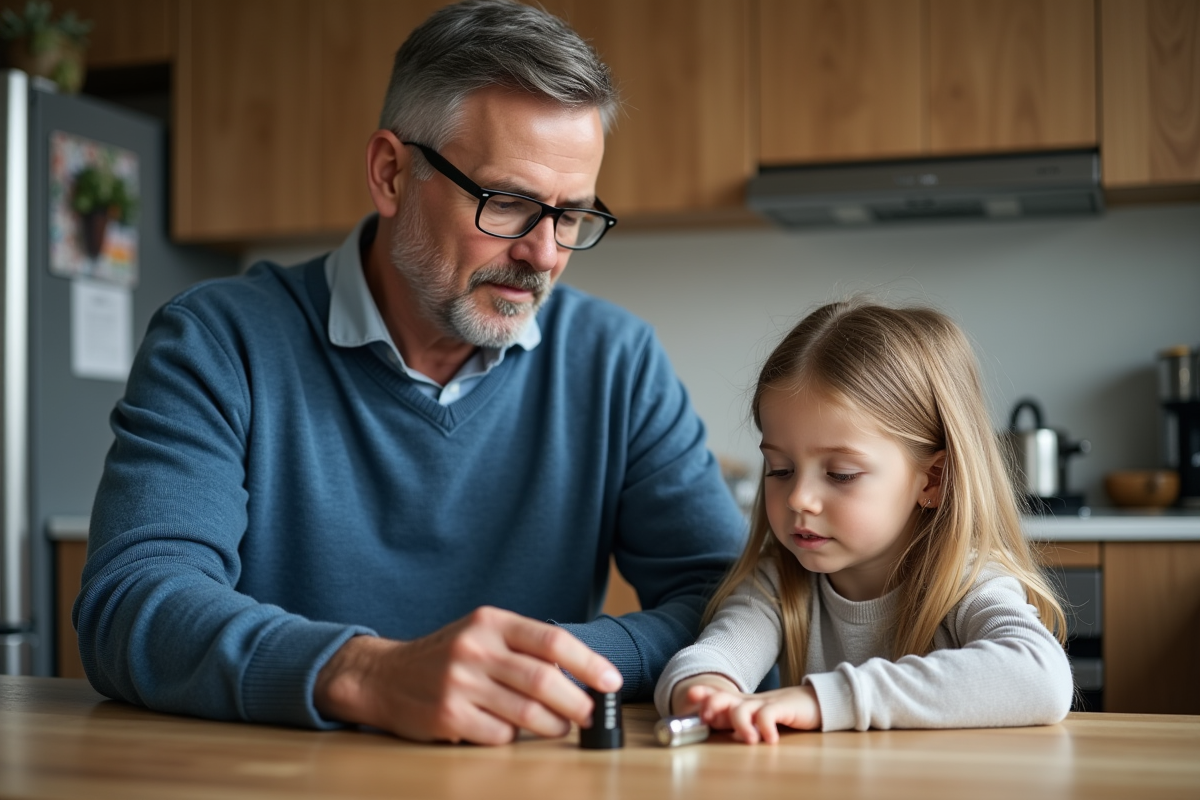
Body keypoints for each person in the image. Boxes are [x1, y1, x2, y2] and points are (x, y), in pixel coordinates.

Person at [74, 0, 746, 746]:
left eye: (572, 215)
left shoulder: (617, 360)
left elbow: (733, 606)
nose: (546, 254)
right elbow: (132, 603)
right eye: (511, 203)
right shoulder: (217, 340)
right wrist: (369, 673)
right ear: (392, 174)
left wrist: (532, 668)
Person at [654, 299, 1074, 742]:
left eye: (841, 474)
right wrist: (706, 693)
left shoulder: (966, 582)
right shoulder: (777, 585)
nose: (799, 497)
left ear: (932, 480)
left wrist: (825, 700)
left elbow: (1039, 675)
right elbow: (713, 658)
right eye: (780, 469)